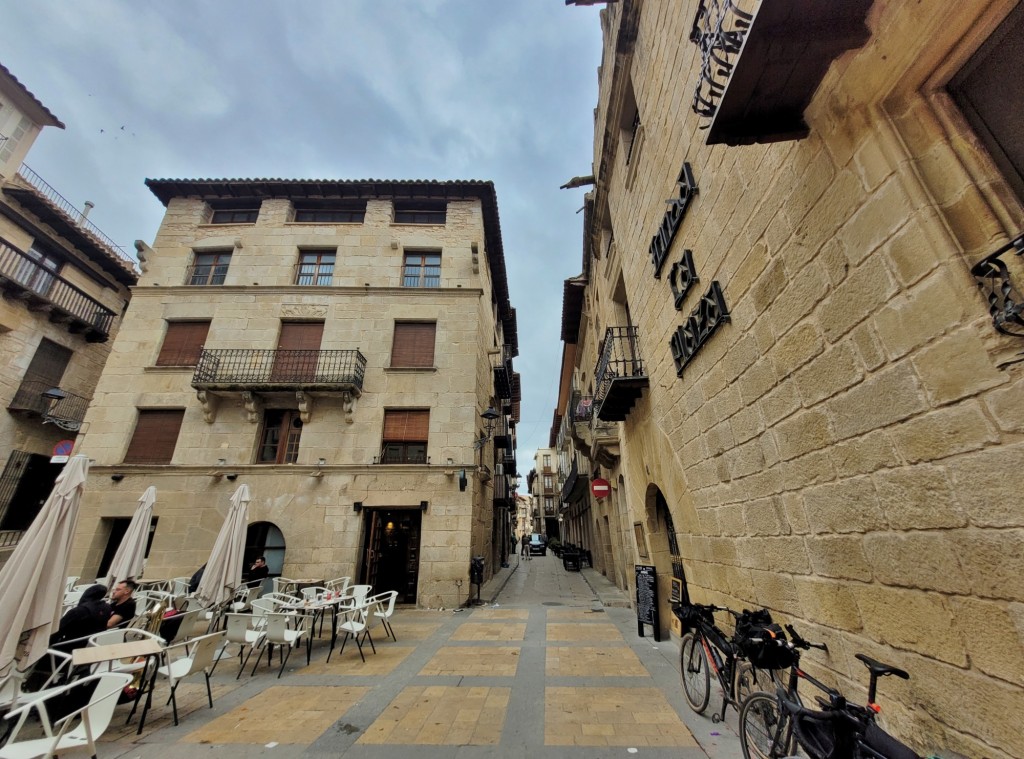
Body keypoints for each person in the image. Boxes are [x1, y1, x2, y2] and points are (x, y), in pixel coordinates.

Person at [51, 584, 112, 651]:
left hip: (66, 647)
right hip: (89, 646)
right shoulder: (107, 608)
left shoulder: (79, 611)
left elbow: (57, 631)